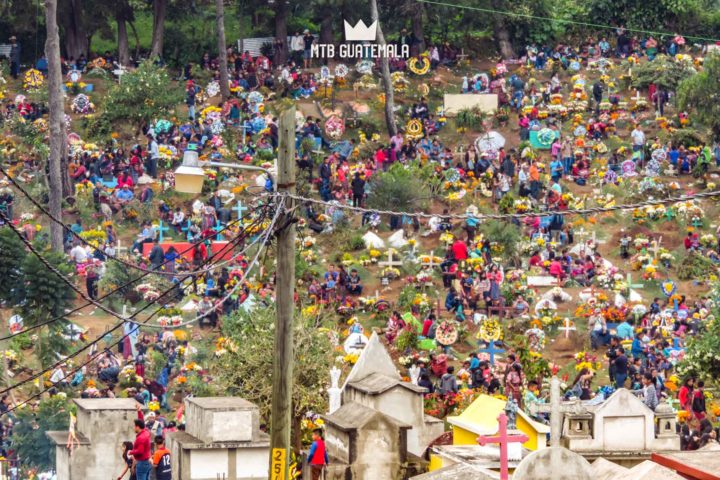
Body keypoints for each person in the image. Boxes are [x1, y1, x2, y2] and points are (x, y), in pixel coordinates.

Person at [128, 404, 152, 480]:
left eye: (134, 426)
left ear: (138, 427)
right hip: (147, 462)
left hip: (142, 462)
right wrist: (139, 411)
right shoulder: (146, 431)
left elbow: (140, 451)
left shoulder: (141, 438)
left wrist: (130, 452)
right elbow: (141, 422)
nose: (134, 427)